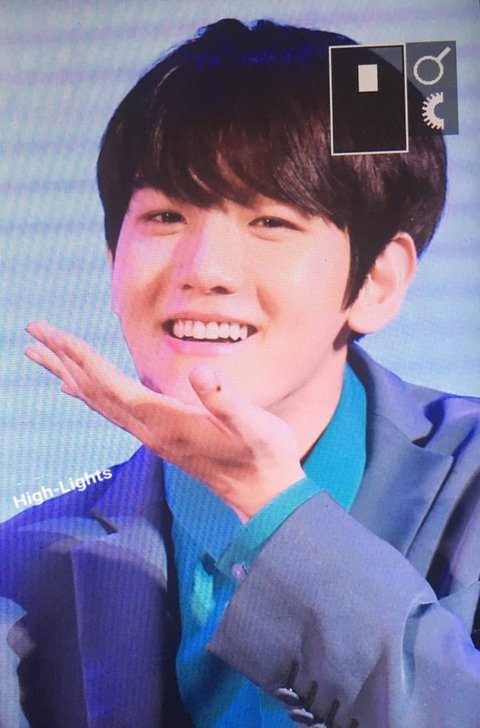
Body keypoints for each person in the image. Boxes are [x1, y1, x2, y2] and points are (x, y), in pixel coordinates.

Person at [1, 17, 479, 728]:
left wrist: (272, 504)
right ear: (112, 259)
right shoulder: (21, 561)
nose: (205, 270)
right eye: (165, 217)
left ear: (378, 280)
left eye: (270, 222)